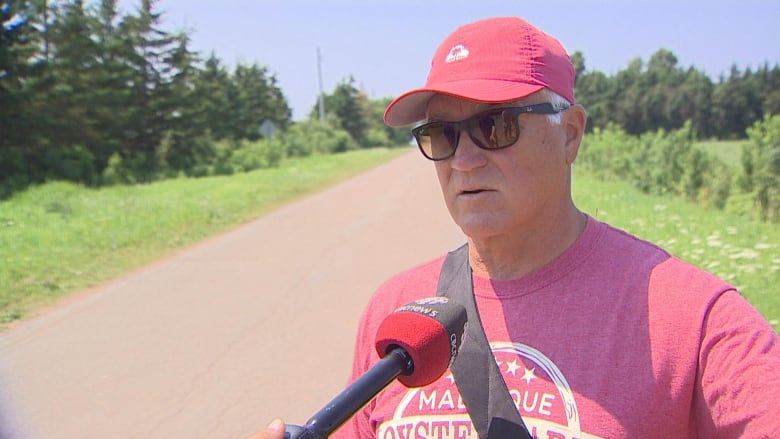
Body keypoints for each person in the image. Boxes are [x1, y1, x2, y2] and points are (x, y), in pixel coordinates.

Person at [251, 15, 780, 438]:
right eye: (441, 134)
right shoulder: (397, 313)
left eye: (493, 126)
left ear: (570, 134)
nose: (463, 160)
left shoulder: (690, 317)